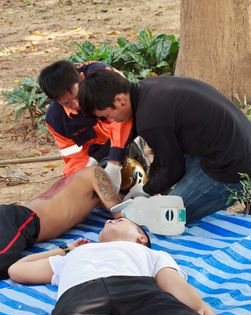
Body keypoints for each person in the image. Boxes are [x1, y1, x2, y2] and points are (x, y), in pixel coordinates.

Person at [8, 217, 220, 315]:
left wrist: (197, 305)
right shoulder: (77, 253)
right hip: (81, 293)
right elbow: (17, 270)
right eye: (108, 221)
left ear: (141, 237)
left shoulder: (150, 253)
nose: (109, 221)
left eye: (119, 221)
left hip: (137, 290)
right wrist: (65, 249)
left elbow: (172, 283)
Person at [78, 69, 251, 223]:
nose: (111, 121)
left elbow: (174, 168)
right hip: (229, 145)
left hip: (231, 166)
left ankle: (230, 191)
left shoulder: (151, 119)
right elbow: (158, 152)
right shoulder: (146, 88)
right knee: (165, 195)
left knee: (170, 217)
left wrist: (146, 190)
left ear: (120, 100)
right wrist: (96, 162)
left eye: (108, 116)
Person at [0, 165, 122, 280]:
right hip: (21, 219)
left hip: (15, 216)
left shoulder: (69, 181)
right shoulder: (95, 173)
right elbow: (120, 213)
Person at [38, 60, 133, 191]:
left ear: (82, 78)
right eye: (68, 103)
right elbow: (73, 157)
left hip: (128, 133)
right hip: (97, 150)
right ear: (56, 100)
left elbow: (125, 123)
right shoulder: (56, 120)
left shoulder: (104, 81)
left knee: (132, 172)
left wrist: (114, 162)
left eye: (77, 96)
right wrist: (82, 176)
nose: (77, 105)